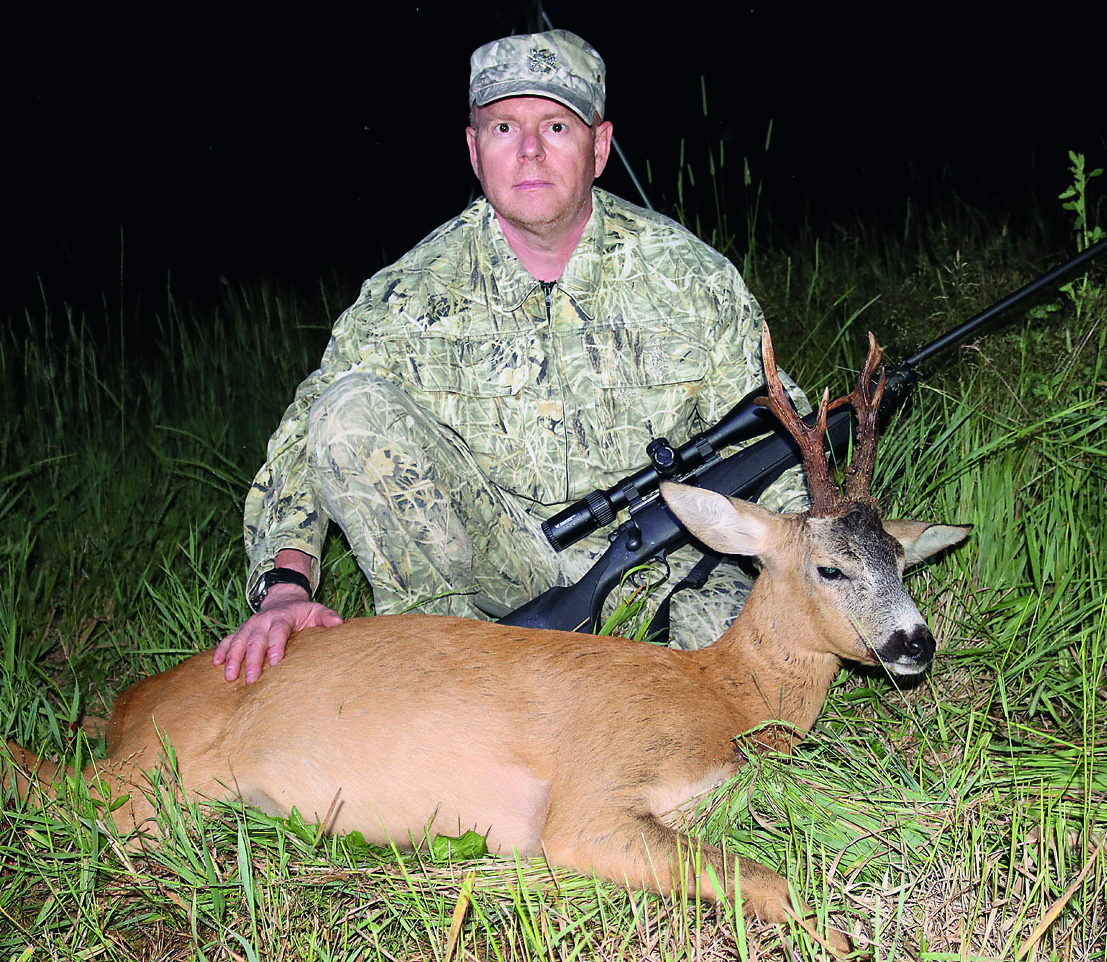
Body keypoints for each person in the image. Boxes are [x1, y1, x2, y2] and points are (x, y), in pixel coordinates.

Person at [213, 29, 809, 684]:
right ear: (474, 149)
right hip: (501, 556)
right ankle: (438, 661)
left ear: (600, 146)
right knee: (346, 408)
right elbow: (305, 436)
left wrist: (823, 547)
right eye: (503, 127)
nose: (528, 152)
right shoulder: (410, 295)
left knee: (753, 690)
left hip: (664, 561)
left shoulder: (690, 278)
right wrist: (285, 588)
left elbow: (775, 436)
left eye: (555, 125)